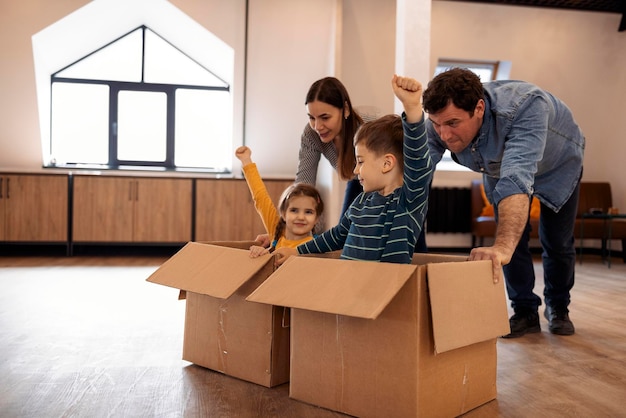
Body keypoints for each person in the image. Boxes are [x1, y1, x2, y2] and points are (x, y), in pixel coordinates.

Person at [422, 68, 585, 338]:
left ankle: (558, 307)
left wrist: (501, 247)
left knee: (556, 240)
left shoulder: (527, 106)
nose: (445, 135)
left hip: (559, 164)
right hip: (500, 167)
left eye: (452, 123)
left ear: (479, 108)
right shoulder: (440, 118)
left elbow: (517, 178)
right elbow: (419, 173)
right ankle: (524, 311)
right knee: (512, 239)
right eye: (437, 124)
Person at [273, 75, 432, 265]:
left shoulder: (407, 201)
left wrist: (412, 108)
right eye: (311, 118)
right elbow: (337, 235)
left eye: (360, 162)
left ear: (387, 164)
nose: (355, 171)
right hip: (348, 285)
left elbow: (417, 161)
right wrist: (296, 250)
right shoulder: (361, 202)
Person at [235, 146, 324, 257]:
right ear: (283, 213)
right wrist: (246, 160)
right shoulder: (276, 230)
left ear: (317, 218)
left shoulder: (317, 246)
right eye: (294, 210)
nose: (301, 217)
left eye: (308, 212)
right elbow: (260, 198)